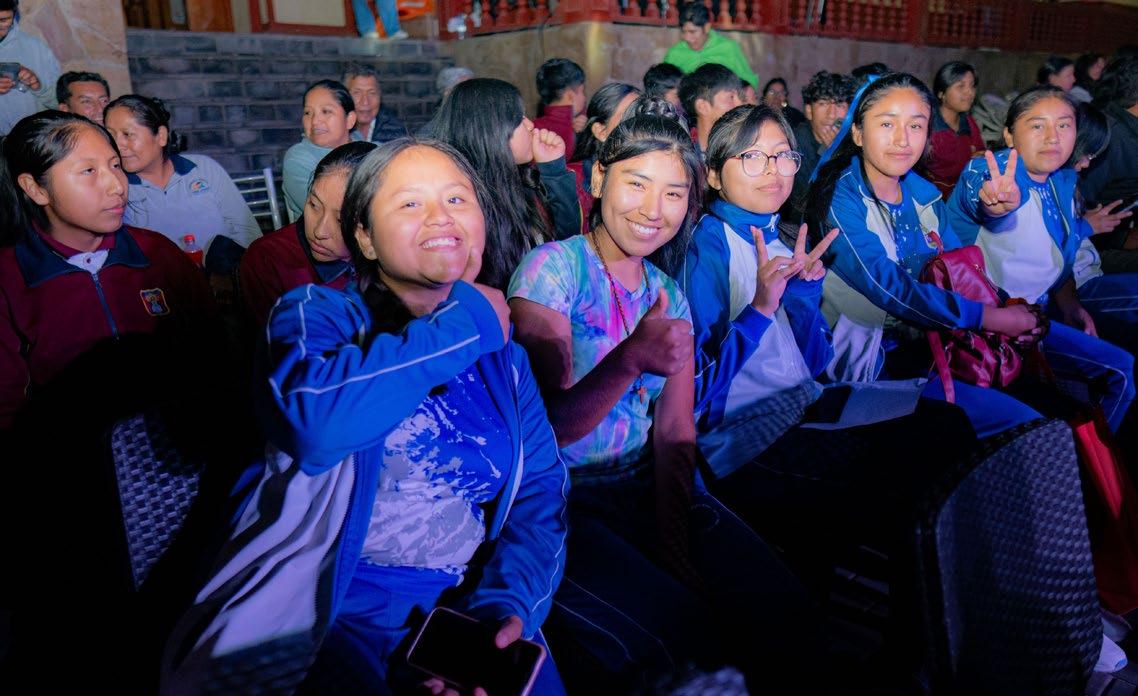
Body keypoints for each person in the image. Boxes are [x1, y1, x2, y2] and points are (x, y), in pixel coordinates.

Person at [162, 138, 568, 694]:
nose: (440, 217)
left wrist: (505, 605)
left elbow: (540, 490)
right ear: (365, 237)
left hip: (467, 607)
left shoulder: (503, 358)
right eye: (410, 203)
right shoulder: (317, 316)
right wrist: (463, 325)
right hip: (331, 605)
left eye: (456, 199)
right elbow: (315, 425)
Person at [509, 113, 818, 693]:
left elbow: (675, 433)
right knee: (680, 638)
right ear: (598, 179)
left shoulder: (666, 293)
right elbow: (547, 430)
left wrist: (675, 544)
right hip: (563, 501)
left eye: (674, 193)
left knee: (781, 604)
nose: (654, 209)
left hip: (644, 485)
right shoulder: (554, 270)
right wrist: (630, 358)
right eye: (637, 183)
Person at [684, 102, 981, 675]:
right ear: (715, 173)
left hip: (803, 406)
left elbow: (813, 363)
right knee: (907, 481)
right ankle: (908, 653)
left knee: (949, 427)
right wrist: (761, 309)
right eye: (753, 157)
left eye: (783, 156)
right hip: (746, 438)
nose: (774, 171)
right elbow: (701, 391)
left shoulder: (780, 237)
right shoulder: (708, 248)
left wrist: (801, 298)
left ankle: (930, 633)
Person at [803, 72, 1049, 438]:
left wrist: (1011, 306)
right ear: (857, 133)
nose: (903, 139)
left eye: (916, 126)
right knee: (1013, 427)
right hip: (863, 367)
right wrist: (991, 318)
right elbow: (887, 286)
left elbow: (961, 271)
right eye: (887, 124)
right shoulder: (840, 199)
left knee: (1033, 414)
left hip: (932, 352)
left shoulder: (924, 196)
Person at [0, 110, 215, 428]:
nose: (116, 185)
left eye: (115, 165)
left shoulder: (158, 253)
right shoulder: (9, 278)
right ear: (36, 189)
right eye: (88, 170)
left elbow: (210, 351)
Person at [945, 86, 1138, 385]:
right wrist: (994, 205)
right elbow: (983, 195)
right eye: (1037, 126)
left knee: (1122, 369)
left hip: (1038, 320)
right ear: (1009, 136)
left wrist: (1071, 305)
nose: (1053, 137)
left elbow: (1059, 255)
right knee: (1118, 374)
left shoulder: (1062, 180)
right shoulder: (993, 171)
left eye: (1064, 125)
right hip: (983, 331)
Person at [423, 78, 581, 287]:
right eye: (519, 118)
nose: (530, 125)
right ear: (491, 130)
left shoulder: (520, 181)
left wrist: (554, 170)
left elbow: (569, 243)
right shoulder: (462, 203)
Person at [104, 95, 261, 269]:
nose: (118, 145)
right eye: (111, 136)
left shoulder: (203, 169)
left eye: (127, 134)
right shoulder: (117, 187)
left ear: (161, 136)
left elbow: (247, 232)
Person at [240, 141, 376, 328]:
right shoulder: (267, 259)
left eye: (340, 220)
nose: (319, 231)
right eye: (314, 205)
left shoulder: (392, 255)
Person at [1082, 57, 1138, 274]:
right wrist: (1121, 239)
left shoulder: (1126, 128)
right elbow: (1077, 210)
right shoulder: (1109, 136)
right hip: (1091, 250)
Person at [779, 70, 854, 230]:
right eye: (823, 103)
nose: (832, 114)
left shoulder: (855, 142)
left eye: (840, 104)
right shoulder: (793, 145)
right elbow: (802, 207)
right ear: (809, 111)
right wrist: (830, 157)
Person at [282, 80, 357, 222]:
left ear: (350, 120)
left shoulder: (374, 150)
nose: (315, 121)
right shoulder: (298, 159)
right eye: (307, 112)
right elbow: (324, 211)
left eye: (326, 111)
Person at [568, 81, 641, 220]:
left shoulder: (651, 173)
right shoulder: (571, 181)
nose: (641, 126)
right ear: (601, 131)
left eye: (643, 116)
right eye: (629, 118)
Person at [663, 1, 758, 89]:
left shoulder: (728, 48)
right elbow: (663, 85)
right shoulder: (674, 53)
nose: (687, 38)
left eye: (692, 32)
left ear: (707, 27)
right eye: (684, 32)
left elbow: (749, 83)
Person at [924, 61, 984, 197]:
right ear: (941, 93)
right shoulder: (928, 127)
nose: (970, 93)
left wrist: (980, 156)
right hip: (933, 197)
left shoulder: (968, 122)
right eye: (961, 86)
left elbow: (980, 151)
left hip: (962, 193)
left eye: (972, 85)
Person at [0, 0, 59, 134]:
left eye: (3, 20)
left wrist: (38, 86)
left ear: (14, 15)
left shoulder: (35, 48)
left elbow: (59, 103)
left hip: (28, 138)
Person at [678, 63, 743, 156]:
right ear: (702, 107)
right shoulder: (684, 156)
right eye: (731, 97)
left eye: (740, 97)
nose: (740, 104)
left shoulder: (745, 149)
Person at [343, 63, 408, 144]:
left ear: (380, 96)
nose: (365, 102)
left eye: (372, 93)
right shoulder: (336, 128)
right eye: (357, 93)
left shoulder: (395, 132)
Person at [534, 58, 587, 154]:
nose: (584, 98)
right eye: (582, 92)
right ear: (570, 95)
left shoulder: (533, 128)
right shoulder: (569, 131)